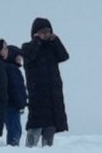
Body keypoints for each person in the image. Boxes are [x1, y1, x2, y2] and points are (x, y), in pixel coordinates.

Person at [22, 17, 69, 146]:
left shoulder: (52, 49)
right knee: (35, 125)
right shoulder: (27, 47)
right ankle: (28, 151)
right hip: (37, 95)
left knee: (50, 126)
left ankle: (47, 152)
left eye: (48, 31)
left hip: (53, 95)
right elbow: (29, 56)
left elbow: (64, 56)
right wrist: (37, 40)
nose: (46, 34)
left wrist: (56, 40)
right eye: (43, 32)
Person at [3, 45, 27, 145]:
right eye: (18, 56)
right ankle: (12, 147)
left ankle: (12, 145)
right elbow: (15, 88)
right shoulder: (12, 70)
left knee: (15, 128)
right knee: (15, 129)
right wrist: (21, 103)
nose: (20, 58)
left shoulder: (11, 69)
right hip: (12, 105)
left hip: (11, 104)